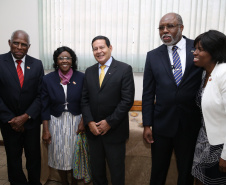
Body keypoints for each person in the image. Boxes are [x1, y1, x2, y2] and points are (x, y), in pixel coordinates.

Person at [142, 12, 203, 185]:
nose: (164, 31)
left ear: (181, 28)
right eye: (161, 28)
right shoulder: (153, 56)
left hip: (190, 124)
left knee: (186, 172)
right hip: (162, 125)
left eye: (169, 26)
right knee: (158, 171)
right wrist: (147, 124)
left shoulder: (198, 48)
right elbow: (148, 93)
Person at [81, 35, 135, 185]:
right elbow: (84, 100)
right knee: (97, 172)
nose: (98, 51)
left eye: (102, 47)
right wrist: (90, 121)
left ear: (110, 48)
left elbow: (127, 101)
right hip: (94, 133)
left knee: (117, 173)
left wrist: (109, 122)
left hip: (115, 131)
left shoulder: (124, 69)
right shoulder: (89, 71)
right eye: (95, 49)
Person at [0, 30, 44, 185]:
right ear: (9, 43)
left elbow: (41, 94)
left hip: (30, 122)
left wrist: (25, 117)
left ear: (29, 46)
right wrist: (11, 119)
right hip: (8, 123)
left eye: (23, 44)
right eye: (16, 43)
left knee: (34, 158)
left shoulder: (37, 64)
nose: (19, 47)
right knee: (13, 158)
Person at [41, 46, 85, 185]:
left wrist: (83, 121)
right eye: (61, 58)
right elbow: (44, 105)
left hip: (76, 121)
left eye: (68, 57)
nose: (64, 60)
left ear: (72, 60)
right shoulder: (48, 79)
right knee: (59, 155)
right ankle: (64, 182)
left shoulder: (81, 77)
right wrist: (46, 129)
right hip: (56, 122)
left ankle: (74, 182)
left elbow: (86, 102)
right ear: (56, 61)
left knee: (74, 154)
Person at [191, 30, 226, 185]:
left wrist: (225, 155)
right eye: (195, 48)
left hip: (220, 146)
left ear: (214, 52)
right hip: (204, 142)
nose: (195, 52)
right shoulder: (205, 73)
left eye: (200, 49)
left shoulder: (224, 73)